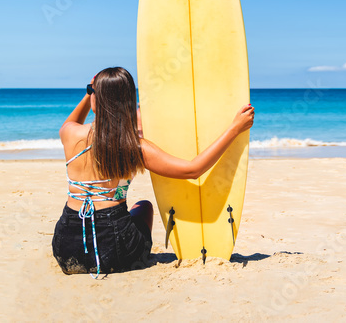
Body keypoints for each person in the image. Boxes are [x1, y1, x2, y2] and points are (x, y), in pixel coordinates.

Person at [51, 67, 254, 277]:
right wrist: (234, 129)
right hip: (114, 252)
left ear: (96, 98)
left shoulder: (69, 134)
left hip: (66, 250)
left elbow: (71, 121)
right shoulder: (133, 146)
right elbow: (193, 169)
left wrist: (88, 92)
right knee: (144, 207)